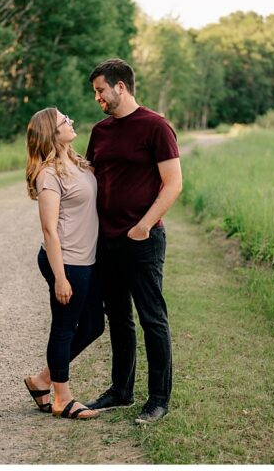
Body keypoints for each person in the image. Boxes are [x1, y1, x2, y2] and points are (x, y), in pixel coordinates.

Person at [84, 59, 182, 426]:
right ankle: (121, 391)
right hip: (106, 241)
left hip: (142, 240)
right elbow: (91, 176)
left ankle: (158, 399)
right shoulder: (100, 131)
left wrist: (142, 226)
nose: (98, 98)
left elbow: (173, 183)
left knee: (152, 318)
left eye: (100, 91)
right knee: (120, 320)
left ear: (120, 87)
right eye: (96, 92)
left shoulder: (156, 127)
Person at [24, 107, 105, 420]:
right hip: (67, 262)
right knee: (64, 328)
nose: (71, 120)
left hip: (86, 261)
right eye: (63, 120)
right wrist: (60, 277)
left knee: (93, 326)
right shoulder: (48, 175)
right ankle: (61, 398)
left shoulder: (76, 161)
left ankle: (43, 380)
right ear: (51, 133)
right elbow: (49, 230)